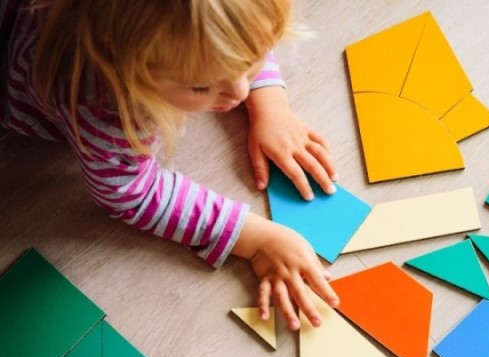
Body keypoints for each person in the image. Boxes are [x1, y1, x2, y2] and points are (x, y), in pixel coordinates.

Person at [0, 0, 340, 331]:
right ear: (127, 69)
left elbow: (230, 31)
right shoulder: (105, 104)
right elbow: (131, 193)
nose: (238, 90)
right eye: (201, 86)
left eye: (250, 60)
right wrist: (255, 238)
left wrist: (270, 103)